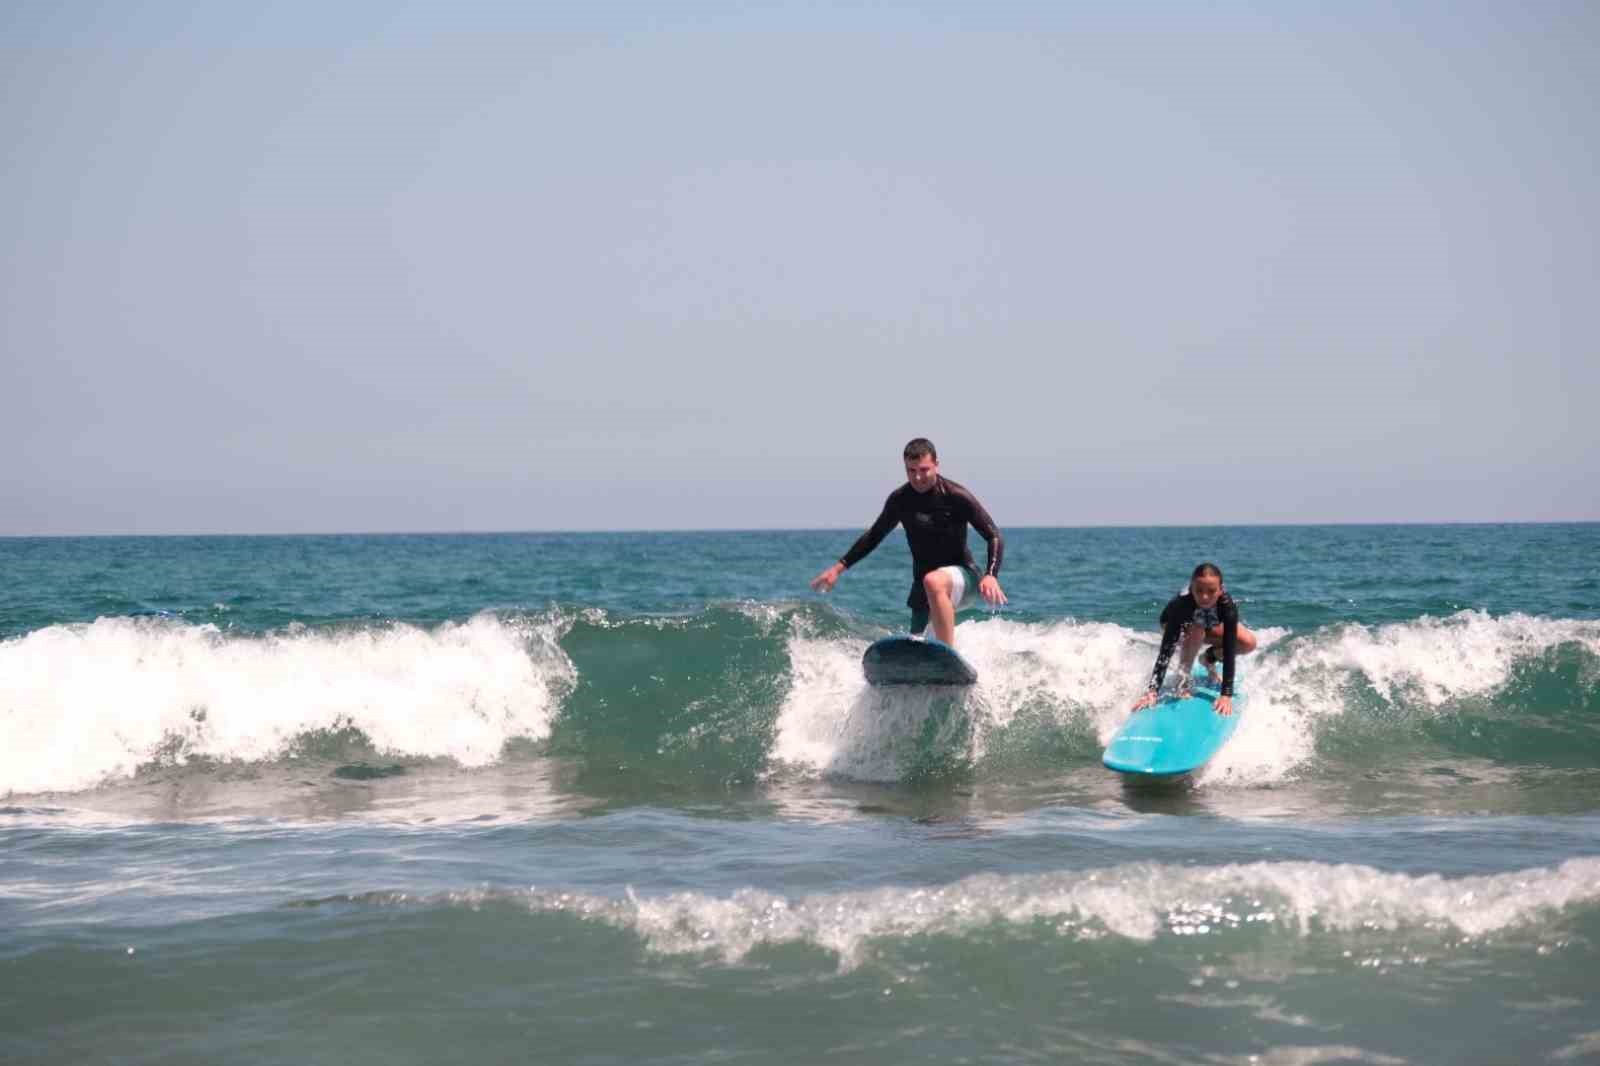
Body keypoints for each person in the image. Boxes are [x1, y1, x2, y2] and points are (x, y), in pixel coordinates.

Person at [810, 438, 1006, 646]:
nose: (918, 477)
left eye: (924, 469)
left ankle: (950, 656)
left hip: (964, 577)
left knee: (934, 580)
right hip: (922, 587)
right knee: (915, 644)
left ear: (936, 465)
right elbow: (874, 536)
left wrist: (991, 575)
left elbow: (994, 536)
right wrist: (838, 569)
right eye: (911, 471)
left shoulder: (956, 496)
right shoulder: (900, 500)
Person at [1131, 563, 1257, 717]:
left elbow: (1230, 649)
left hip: (1206, 624)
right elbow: (1166, 650)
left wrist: (1226, 695)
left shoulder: (1227, 605)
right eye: (1199, 591)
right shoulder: (1182, 605)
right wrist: (1152, 691)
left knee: (1248, 642)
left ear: (1220, 590)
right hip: (1177, 625)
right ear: (1191, 588)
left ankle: (1209, 658)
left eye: (1211, 591)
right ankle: (1183, 681)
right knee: (1197, 628)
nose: (1205, 597)